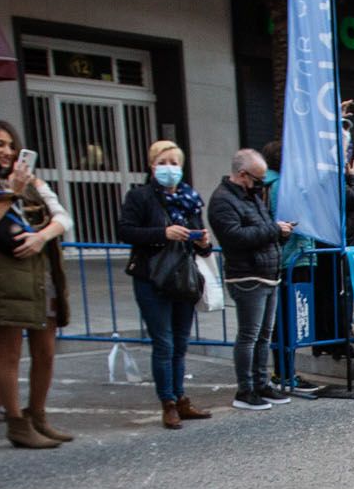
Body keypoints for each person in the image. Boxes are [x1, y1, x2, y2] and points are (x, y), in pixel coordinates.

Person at [0, 119, 75, 449]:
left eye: (10, 144)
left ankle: (37, 414)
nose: (6, 151)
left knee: (46, 351)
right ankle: (16, 423)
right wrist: (11, 192)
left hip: (41, 273)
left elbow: (63, 218)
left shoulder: (32, 179)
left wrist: (41, 237)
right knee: (8, 352)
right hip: (3, 275)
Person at [118, 139, 214, 429]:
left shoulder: (190, 199)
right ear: (151, 165)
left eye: (174, 163)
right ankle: (168, 402)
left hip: (182, 278)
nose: (169, 168)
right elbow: (126, 231)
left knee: (180, 343)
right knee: (163, 342)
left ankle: (181, 397)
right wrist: (163, 233)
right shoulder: (141, 197)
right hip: (152, 278)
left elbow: (201, 246)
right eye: (163, 162)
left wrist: (205, 242)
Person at [208, 148, 295, 412]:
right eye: (257, 179)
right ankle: (245, 389)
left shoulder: (252, 196)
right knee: (249, 335)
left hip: (268, 273)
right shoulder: (223, 200)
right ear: (242, 175)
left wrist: (281, 232)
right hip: (247, 275)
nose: (261, 184)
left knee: (264, 336)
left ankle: (261, 383)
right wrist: (273, 230)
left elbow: (262, 230)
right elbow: (235, 237)